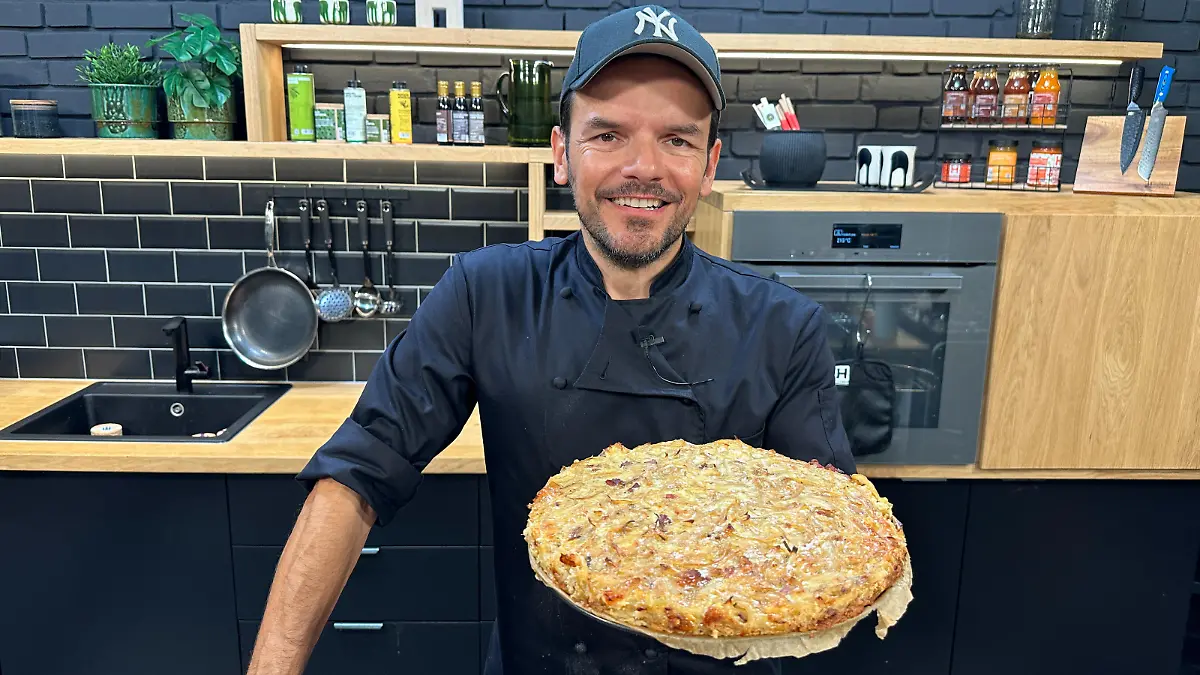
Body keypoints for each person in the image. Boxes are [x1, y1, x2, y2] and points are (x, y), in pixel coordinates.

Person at [245, 5, 855, 675]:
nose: (643, 167)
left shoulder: (782, 326)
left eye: (677, 140)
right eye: (609, 134)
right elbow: (356, 475)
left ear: (709, 165)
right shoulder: (486, 294)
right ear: (563, 153)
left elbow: (833, 533)